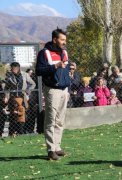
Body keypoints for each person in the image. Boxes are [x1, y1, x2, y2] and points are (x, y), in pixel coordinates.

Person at [36, 28, 70, 160]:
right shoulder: (44, 53)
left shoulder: (65, 52)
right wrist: (55, 66)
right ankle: (50, 149)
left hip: (64, 90)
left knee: (60, 121)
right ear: (54, 39)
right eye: (62, 40)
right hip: (52, 90)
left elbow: (64, 70)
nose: (64, 42)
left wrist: (70, 70)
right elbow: (39, 71)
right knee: (50, 120)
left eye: (65, 40)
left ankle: (57, 147)